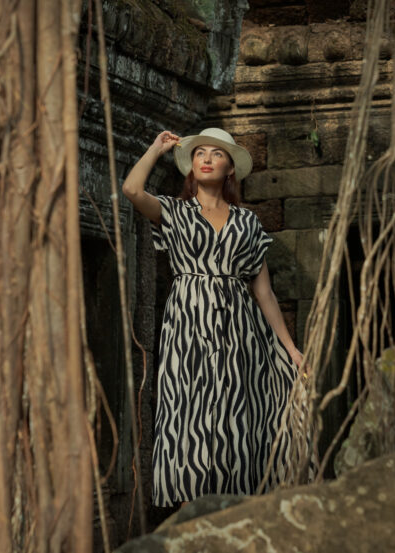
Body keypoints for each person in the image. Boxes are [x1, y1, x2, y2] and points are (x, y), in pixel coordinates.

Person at [122, 128, 305, 508]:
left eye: (216, 154)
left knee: (235, 418)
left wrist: (291, 349)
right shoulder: (175, 212)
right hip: (187, 326)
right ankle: (193, 515)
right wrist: (156, 148)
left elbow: (264, 292)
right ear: (191, 167)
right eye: (200, 153)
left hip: (239, 331)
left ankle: (234, 512)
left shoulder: (247, 223)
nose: (206, 158)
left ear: (229, 170)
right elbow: (132, 191)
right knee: (188, 414)